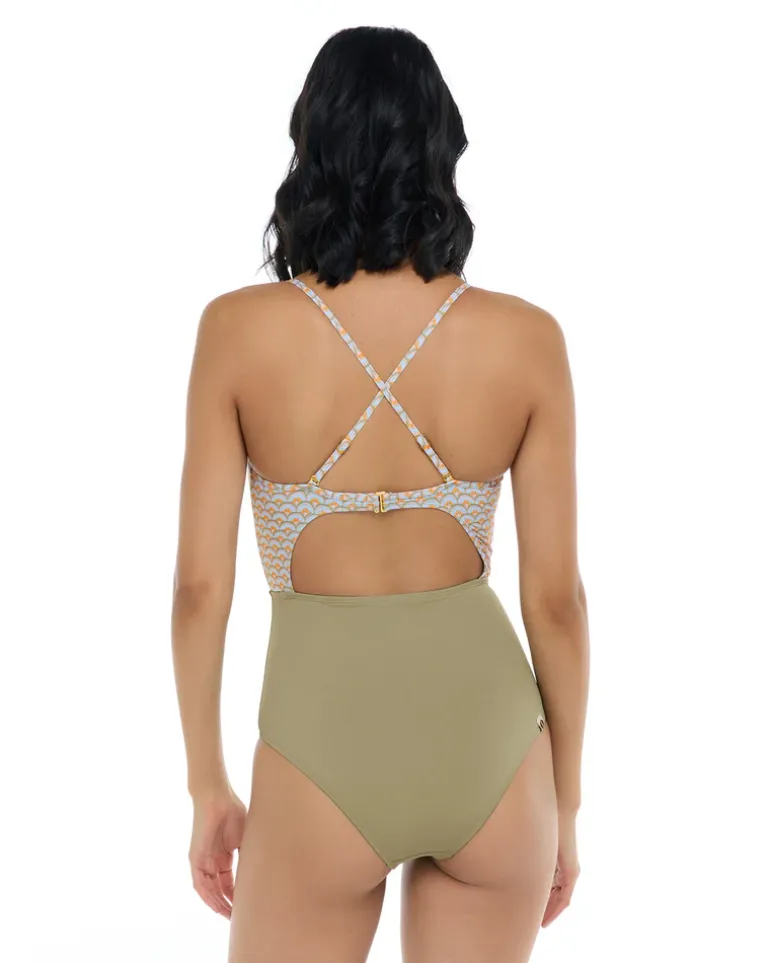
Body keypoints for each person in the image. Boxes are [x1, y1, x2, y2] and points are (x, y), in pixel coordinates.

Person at [171, 24, 589, 963]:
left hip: (320, 752)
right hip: (493, 750)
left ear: (309, 148)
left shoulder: (236, 332)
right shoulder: (528, 340)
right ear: (442, 151)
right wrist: (563, 803)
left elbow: (199, 589)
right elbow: (557, 601)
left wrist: (207, 782)